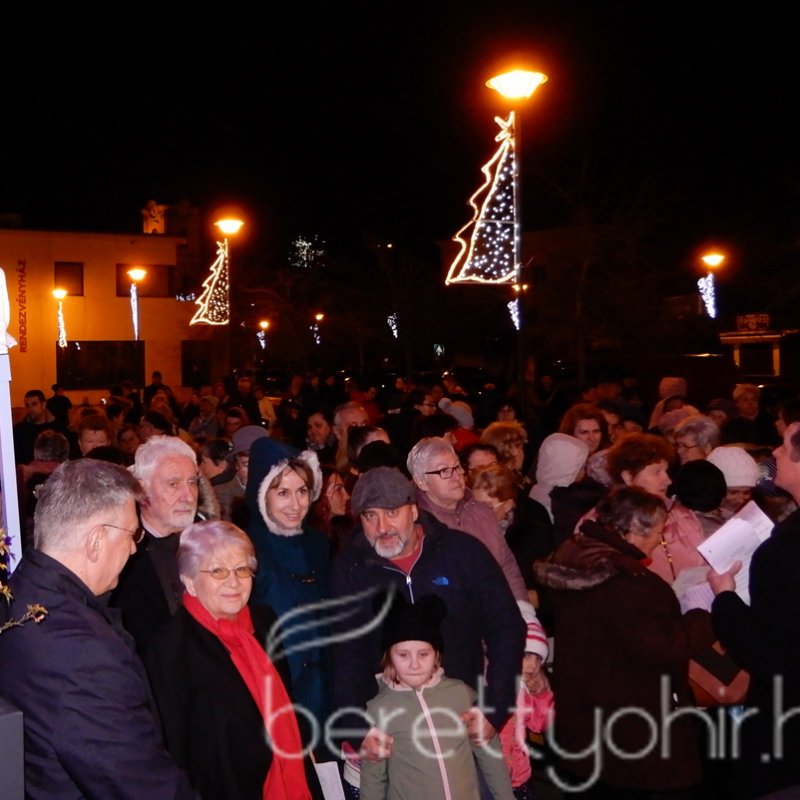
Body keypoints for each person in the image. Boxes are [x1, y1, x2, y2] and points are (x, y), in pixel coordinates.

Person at [0, 459, 195, 800]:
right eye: (132, 534)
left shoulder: (18, 591)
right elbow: (144, 787)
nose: (134, 548)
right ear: (95, 541)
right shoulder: (87, 660)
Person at [328, 466, 525, 791]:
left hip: (464, 720)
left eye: (392, 512)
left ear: (414, 510)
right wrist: (356, 727)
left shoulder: (462, 553)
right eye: (370, 516)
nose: (382, 527)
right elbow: (344, 653)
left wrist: (495, 706)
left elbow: (506, 626)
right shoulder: (350, 569)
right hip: (393, 734)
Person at [534, 486, 715, 797]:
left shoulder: (574, 556)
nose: (659, 542)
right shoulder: (628, 582)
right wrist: (706, 614)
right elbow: (666, 643)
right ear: (632, 530)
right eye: (657, 533)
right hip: (634, 720)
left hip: (588, 711)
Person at [143, 520, 323, 800]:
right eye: (218, 571)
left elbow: (287, 704)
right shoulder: (169, 648)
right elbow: (173, 747)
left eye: (242, 569)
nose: (234, 582)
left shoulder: (263, 623)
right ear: (189, 581)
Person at [708, 419, 800, 799]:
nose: (774, 452)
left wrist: (725, 597)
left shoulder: (785, 552)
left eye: (784, 446)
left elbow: (768, 650)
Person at [407, 437, 549, 667]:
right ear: (421, 482)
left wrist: (525, 623)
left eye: (457, 467)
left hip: (499, 636)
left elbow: (507, 567)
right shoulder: (416, 526)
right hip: (450, 652)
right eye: (443, 471)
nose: (456, 475)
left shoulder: (481, 511)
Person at [360, 592, 515, 800]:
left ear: (436, 656)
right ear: (389, 657)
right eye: (403, 655)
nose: (414, 664)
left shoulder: (461, 694)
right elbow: (372, 777)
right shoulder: (380, 709)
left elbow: (489, 754)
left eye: (423, 654)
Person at [244, 437, 332, 738]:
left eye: (302, 491)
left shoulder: (319, 544)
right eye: (283, 492)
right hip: (275, 697)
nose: (296, 505)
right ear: (261, 494)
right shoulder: (245, 549)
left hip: (324, 697)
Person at [110, 435, 201, 652]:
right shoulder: (121, 556)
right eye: (173, 484)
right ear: (142, 491)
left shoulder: (210, 539)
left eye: (192, 483)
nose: (188, 496)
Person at [13, 388, 71, 464]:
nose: (30, 409)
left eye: (34, 404)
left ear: (43, 404)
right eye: (27, 405)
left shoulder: (59, 429)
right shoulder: (19, 430)